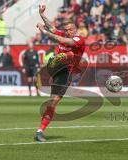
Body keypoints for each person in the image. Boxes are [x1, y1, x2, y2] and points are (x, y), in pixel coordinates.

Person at [34, 4, 85, 142]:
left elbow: (61, 40)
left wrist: (43, 31)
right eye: (66, 30)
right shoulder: (63, 33)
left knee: (53, 102)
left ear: (75, 30)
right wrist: (42, 14)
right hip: (57, 66)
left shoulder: (79, 40)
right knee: (63, 56)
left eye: (69, 30)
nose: (67, 32)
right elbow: (53, 28)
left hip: (66, 73)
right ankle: (43, 73)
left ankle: (39, 131)